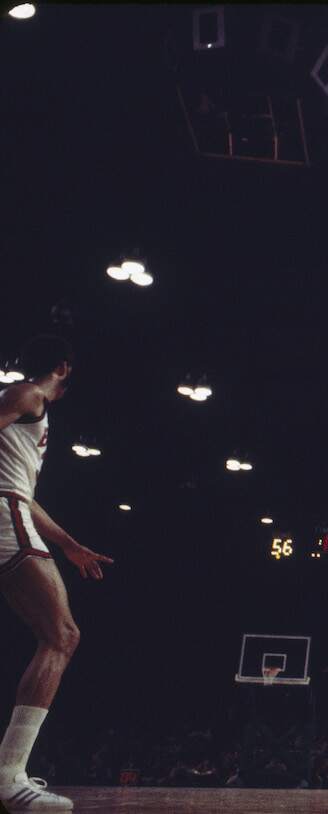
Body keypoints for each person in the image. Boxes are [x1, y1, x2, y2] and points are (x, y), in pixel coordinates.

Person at [0, 336, 113, 812]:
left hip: (12, 507)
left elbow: (21, 491)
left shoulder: (27, 413)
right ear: (64, 367)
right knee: (62, 635)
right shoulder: (29, 394)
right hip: (4, 515)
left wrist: (68, 544)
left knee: (59, 635)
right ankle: (8, 779)